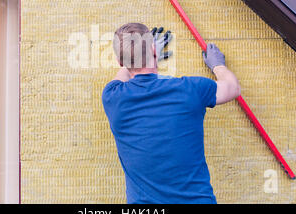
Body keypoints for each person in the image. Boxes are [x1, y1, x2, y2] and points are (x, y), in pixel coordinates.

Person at [101, 23, 241, 204]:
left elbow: (126, 71)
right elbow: (232, 88)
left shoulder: (112, 97)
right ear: (153, 50)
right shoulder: (192, 89)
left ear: (120, 62)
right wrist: (218, 65)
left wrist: (141, 54)